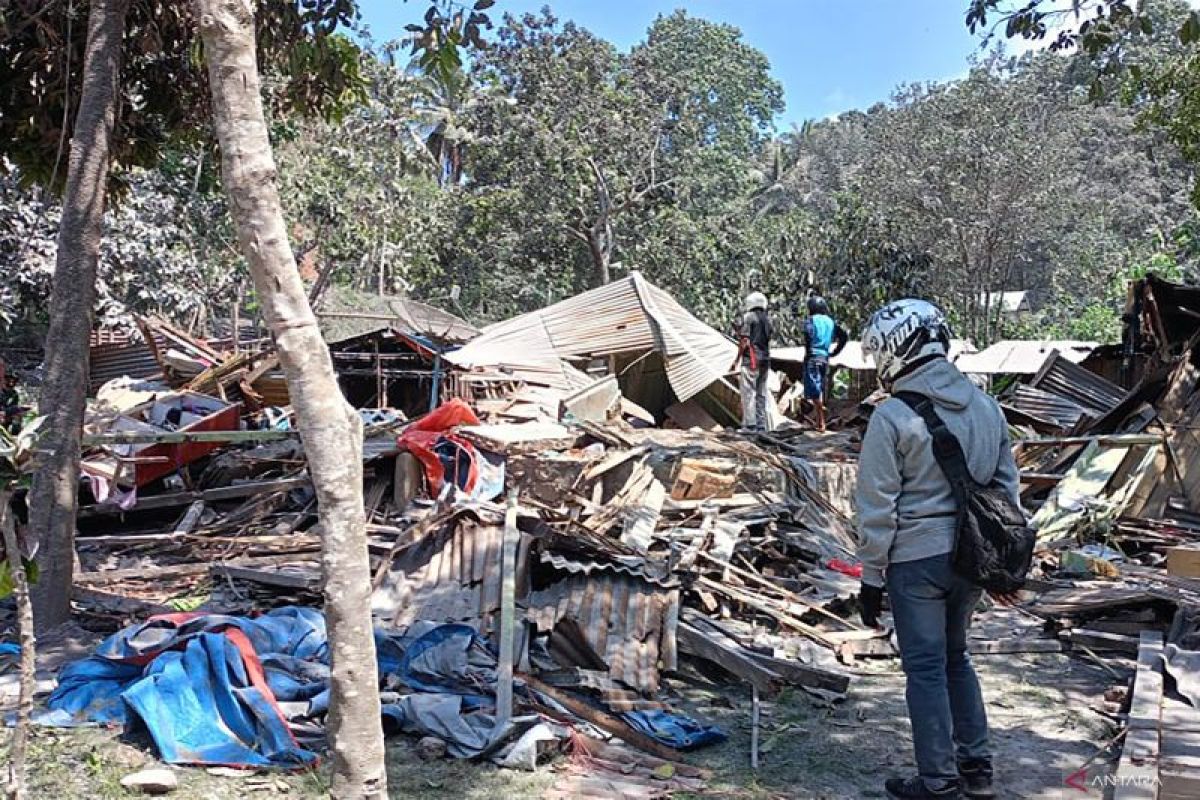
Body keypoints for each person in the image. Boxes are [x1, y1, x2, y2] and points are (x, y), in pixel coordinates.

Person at [855, 298, 1018, 800]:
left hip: (916, 562)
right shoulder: (989, 407)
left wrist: (870, 576)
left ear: (890, 353)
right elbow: (1007, 492)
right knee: (957, 658)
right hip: (973, 558)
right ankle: (977, 770)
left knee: (925, 668)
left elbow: (877, 507)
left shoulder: (892, 416)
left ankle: (938, 782)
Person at [801, 296, 848, 432]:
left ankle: (821, 413)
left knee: (812, 389)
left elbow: (808, 337)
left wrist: (808, 353)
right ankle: (820, 423)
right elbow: (844, 336)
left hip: (813, 357)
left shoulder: (811, 321)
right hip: (825, 358)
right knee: (819, 387)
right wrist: (835, 352)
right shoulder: (831, 322)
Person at [735, 291, 772, 432]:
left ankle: (750, 425)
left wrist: (737, 359)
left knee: (748, 392)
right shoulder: (768, 320)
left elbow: (744, 341)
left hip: (751, 360)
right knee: (761, 393)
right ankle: (761, 424)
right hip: (765, 359)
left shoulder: (749, 317)